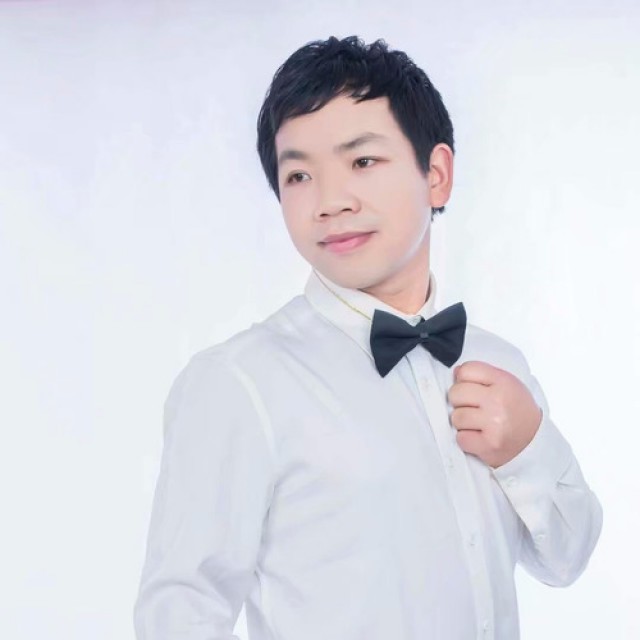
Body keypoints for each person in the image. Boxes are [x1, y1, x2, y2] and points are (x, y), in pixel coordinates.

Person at [133, 35, 603, 640]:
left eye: (362, 162)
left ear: (436, 175)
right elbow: (181, 612)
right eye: (299, 174)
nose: (329, 202)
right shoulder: (240, 383)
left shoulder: (496, 363)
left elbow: (567, 560)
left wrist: (527, 447)